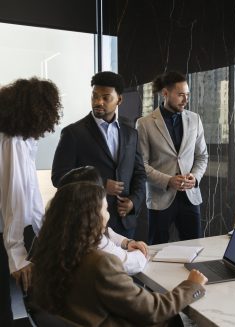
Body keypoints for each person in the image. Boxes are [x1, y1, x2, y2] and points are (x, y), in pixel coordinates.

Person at [32, 181, 207, 326]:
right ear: (92, 218)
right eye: (105, 210)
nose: (108, 217)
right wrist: (191, 286)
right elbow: (152, 310)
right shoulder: (100, 263)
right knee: (171, 317)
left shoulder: (50, 252)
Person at [51, 71, 146, 238]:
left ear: (119, 100)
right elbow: (59, 177)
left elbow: (139, 173)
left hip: (125, 222)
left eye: (106, 97)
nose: (98, 102)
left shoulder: (131, 133)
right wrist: (100, 184)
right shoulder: (73, 133)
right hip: (88, 222)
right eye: (95, 96)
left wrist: (133, 201)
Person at [0, 77, 61, 327]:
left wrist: (45, 231)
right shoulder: (11, 142)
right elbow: (13, 201)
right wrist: (17, 255)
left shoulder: (21, 139)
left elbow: (30, 195)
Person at [136, 71, 208, 245]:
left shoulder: (195, 119)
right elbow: (141, 164)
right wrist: (168, 180)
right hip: (160, 197)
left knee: (194, 247)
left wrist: (195, 178)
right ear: (165, 93)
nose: (185, 100)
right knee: (157, 248)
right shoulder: (144, 123)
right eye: (181, 95)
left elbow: (202, 156)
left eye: (188, 95)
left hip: (190, 196)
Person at [57, 166, 148, 275]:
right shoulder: (94, 242)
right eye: (104, 209)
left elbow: (108, 232)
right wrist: (141, 253)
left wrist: (126, 242)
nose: (107, 215)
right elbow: (130, 263)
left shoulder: (60, 228)